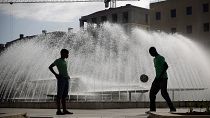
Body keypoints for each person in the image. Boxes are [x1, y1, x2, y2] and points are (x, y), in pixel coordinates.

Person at [147, 47, 176, 113]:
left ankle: (172, 108)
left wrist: (160, 76)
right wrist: (157, 77)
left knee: (164, 93)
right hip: (157, 78)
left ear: (154, 51)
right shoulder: (154, 59)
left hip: (163, 78)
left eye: (151, 53)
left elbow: (166, 66)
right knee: (152, 93)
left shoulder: (161, 57)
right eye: (150, 53)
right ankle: (152, 109)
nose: (151, 54)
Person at [49, 49, 73, 115]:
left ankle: (65, 110)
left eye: (68, 54)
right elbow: (50, 67)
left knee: (64, 96)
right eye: (67, 53)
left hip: (66, 79)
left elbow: (64, 70)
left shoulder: (64, 61)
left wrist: (68, 76)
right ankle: (58, 110)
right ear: (62, 53)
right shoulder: (58, 61)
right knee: (59, 95)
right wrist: (56, 74)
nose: (68, 55)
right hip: (61, 79)